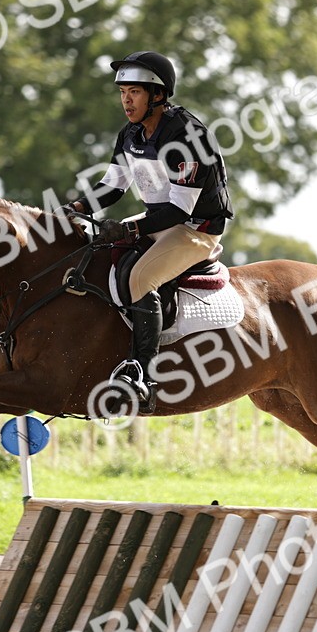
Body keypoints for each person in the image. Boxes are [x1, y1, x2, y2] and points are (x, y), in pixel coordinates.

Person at [66, 50, 233, 414]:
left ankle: (141, 376)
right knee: (94, 257)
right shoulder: (130, 134)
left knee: (140, 278)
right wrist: (76, 208)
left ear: (157, 95)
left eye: (135, 92)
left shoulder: (189, 136)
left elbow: (179, 210)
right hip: (161, 220)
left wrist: (127, 227)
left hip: (196, 229)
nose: (126, 100)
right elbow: (111, 187)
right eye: (122, 92)